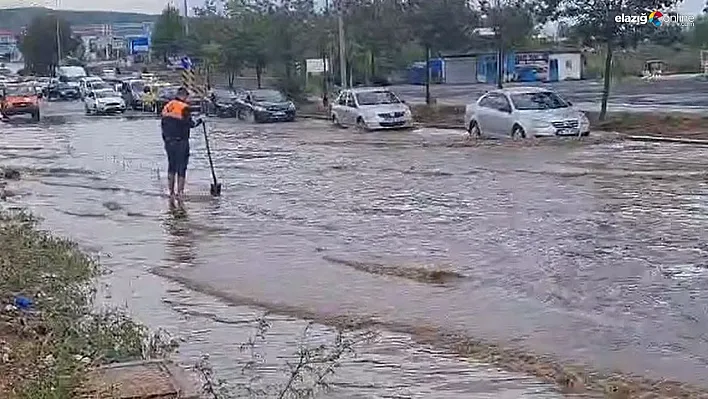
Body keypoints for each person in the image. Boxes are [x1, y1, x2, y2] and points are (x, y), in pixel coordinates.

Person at [161, 87, 203, 201]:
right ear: (184, 96)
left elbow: (163, 124)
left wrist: (166, 139)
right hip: (181, 142)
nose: (188, 100)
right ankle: (180, 193)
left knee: (171, 166)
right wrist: (200, 120)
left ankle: (171, 192)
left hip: (169, 141)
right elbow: (191, 124)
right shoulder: (184, 108)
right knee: (181, 167)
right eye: (187, 97)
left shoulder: (168, 106)